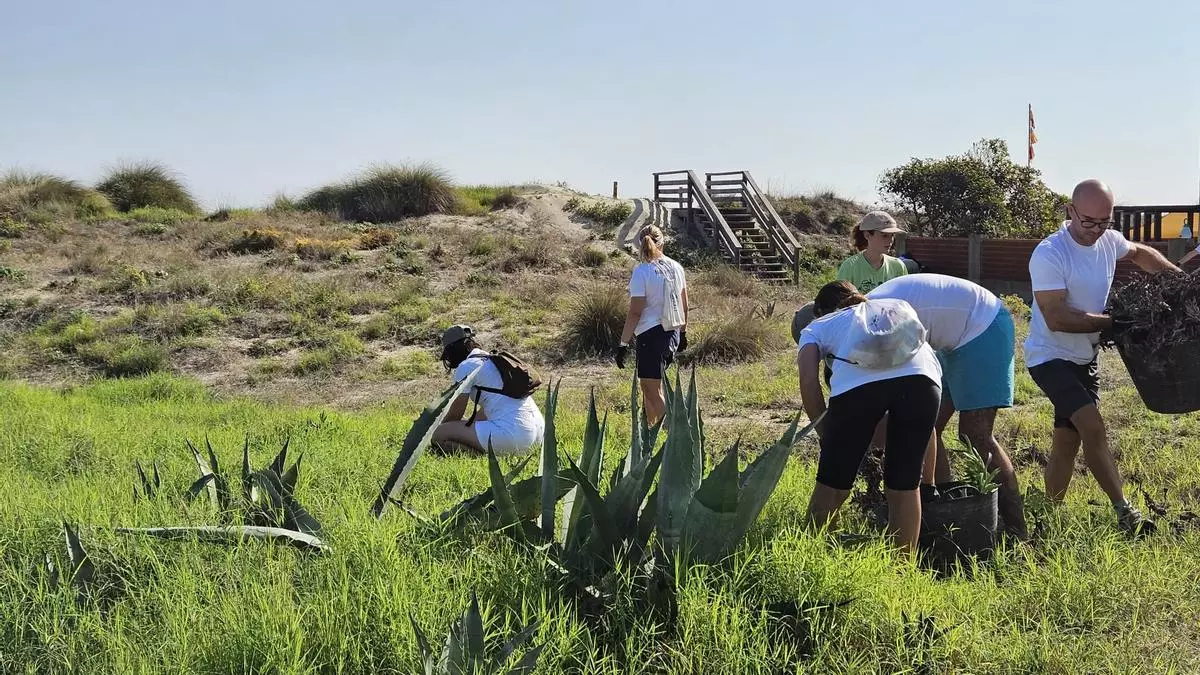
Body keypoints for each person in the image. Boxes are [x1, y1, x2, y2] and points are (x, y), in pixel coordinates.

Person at [1026, 179, 1179, 536]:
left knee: (1067, 441)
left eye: (1104, 222)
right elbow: (1057, 317)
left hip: (1085, 358)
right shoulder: (1050, 253)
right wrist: (1120, 323)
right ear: (1070, 211)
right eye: (1088, 222)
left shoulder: (1108, 240)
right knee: (1093, 427)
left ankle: (1046, 518)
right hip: (1050, 357)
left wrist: (1179, 281)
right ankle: (1125, 512)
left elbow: (1140, 253)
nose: (1096, 230)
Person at [865, 273, 1027, 538]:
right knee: (929, 426)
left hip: (982, 327)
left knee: (976, 435)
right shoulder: (867, 314)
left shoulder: (876, 317)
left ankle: (1017, 531)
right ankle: (943, 510)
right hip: (952, 339)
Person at [797, 281, 942, 554]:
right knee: (904, 485)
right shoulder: (893, 306)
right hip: (924, 383)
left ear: (819, 310)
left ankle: (811, 557)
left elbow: (808, 381)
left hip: (857, 389)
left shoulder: (816, 326)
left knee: (833, 484)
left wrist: (826, 433)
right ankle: (903, 571)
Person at [432, 325, 545, 455]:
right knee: (459, 427)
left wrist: (440, 428)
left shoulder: (466, 366)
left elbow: (455, 414)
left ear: (452, 350)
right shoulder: (492, 360)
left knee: (439, 435)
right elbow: (486, 412)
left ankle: (481, 456)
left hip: (513, 436)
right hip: (539, 434)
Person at [616, 224, 689, 425]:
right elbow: (685, 304)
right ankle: (650, 430)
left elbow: (635, 312)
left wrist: (623, 344)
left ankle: (673, 429)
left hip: (651, 335)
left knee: (650, 388)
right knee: (654, 385)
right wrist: (682, 333)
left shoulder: (642, 271)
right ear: (662, 243)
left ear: (640, 245)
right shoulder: (676, 267)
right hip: (672, 332)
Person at [836, 210, 909, 292]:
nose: (890, 240)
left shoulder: (898, 266)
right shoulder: (850, 267)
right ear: (867, 235)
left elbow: (905, 297)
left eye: (892, 235)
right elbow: (840, 301)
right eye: (884, 235)